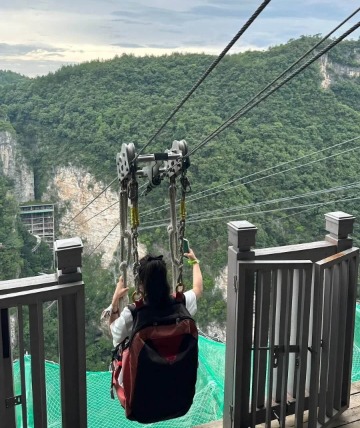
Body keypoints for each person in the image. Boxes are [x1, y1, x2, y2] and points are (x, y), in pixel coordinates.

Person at [109, 248, 203, 347]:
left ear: (140, 284)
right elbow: (198, 289)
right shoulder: (180, 303)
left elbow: (114, 333)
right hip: (181, 362)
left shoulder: (133, 313)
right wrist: (194, 261)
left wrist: (115, 301)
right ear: (165, 279)